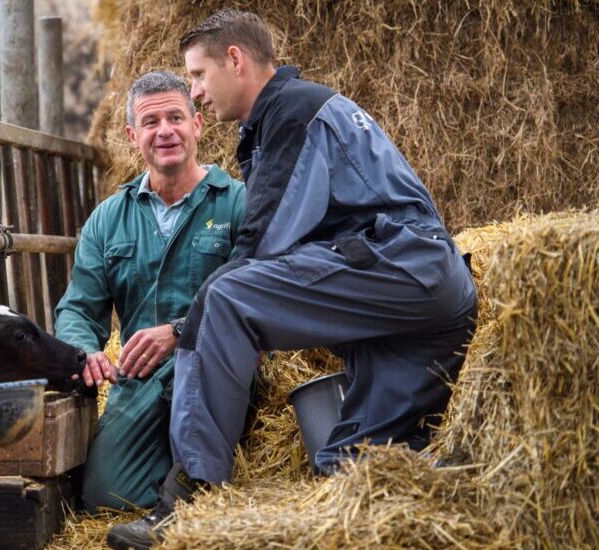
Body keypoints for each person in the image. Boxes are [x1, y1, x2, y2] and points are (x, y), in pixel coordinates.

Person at [106, 10, 478, 550]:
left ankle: (183, 504)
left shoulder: (292, 110)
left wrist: (190, 328)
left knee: (226, 298)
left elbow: (263, 245)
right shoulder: (295, 113)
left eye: (197, 76)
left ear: (234, 60)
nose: (197, 92)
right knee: (351, 466)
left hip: (400, 268)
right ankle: (466, 484)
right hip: (427, 298)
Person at [54, 71, 246, 513]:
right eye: (151, 121)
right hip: (140, 380)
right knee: (107, 497)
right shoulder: (108, 219)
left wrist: (181, 331)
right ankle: (177, 472)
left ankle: (187, 487)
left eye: (176, 117)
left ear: (197, 124)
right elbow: (79, 309)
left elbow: (255, 294)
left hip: (217, 367)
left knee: (195, 377)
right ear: (131, 135)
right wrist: (84, 353)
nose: (165, 131)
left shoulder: (236, 202)